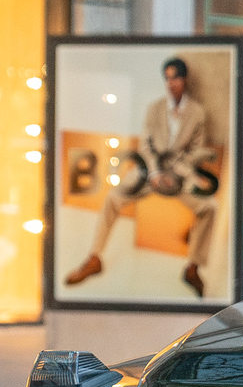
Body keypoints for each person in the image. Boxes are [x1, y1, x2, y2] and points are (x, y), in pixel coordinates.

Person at [63, 57, 221, 296]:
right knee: (113, 198)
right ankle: (94, 258)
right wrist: (155, 172)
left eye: (175, 78)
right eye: (167, 78)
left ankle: (193, 267)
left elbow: (194, 152)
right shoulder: (154, 108)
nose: (171, 84)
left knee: (209, 206)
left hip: (178, 174)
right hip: (149, 171)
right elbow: (145, 145)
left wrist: (176, 175)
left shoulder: (197, 113)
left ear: (184, 79)